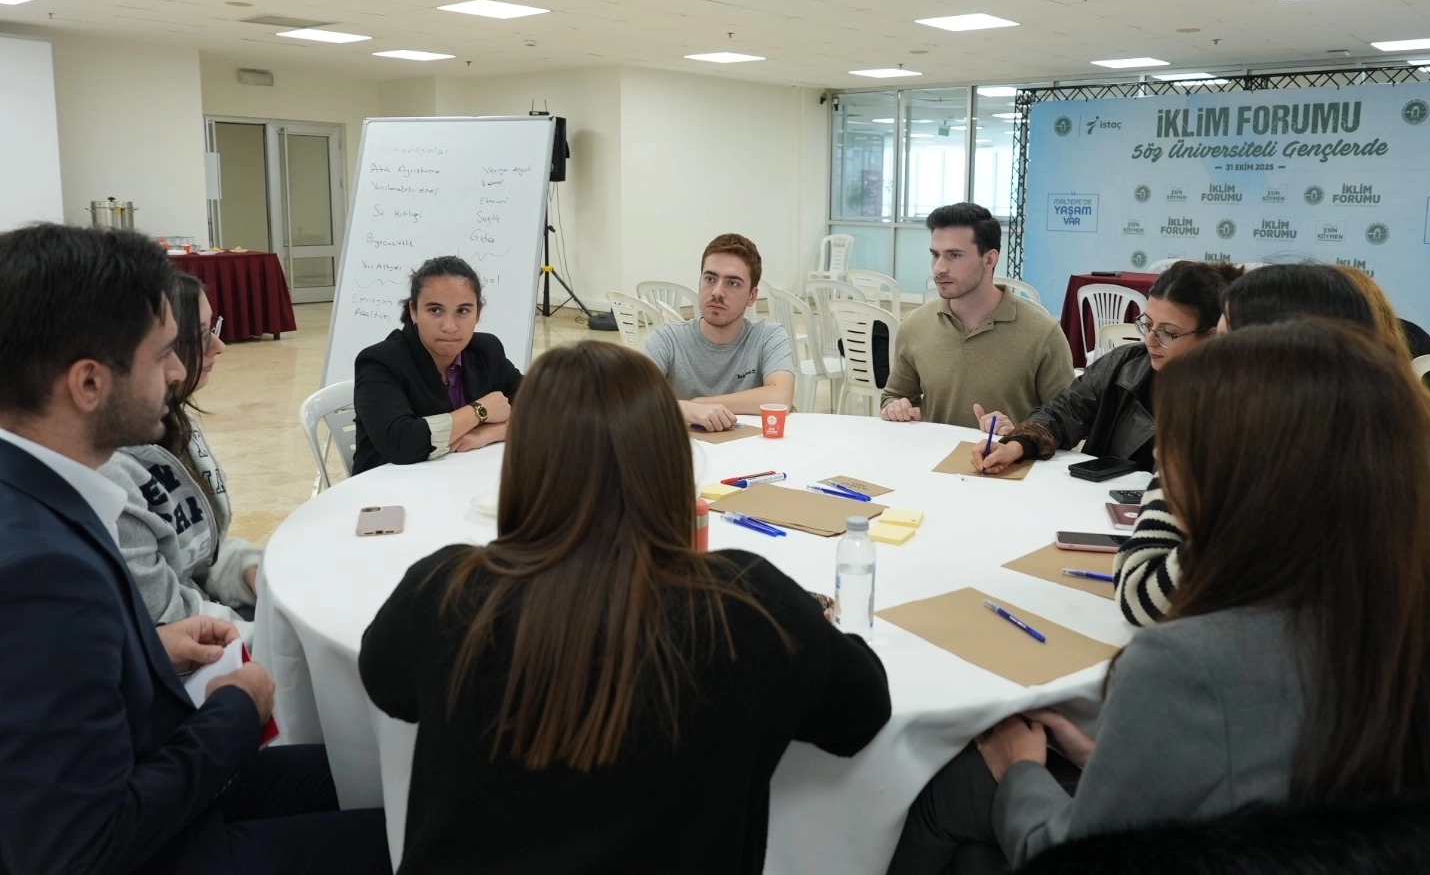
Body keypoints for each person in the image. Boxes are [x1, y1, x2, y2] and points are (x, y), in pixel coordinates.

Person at [888, 321, 1430, 874]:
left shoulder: (1187, 659)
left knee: (948, 788)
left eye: (1179, 438)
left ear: (1238, 470)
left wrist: (1020, 766)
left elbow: (1077, 857)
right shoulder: (1425, 636)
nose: (1159, 458)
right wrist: (1106, 756)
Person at [359, 341, 890, 873]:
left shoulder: (446, 589)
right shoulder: (746, 604)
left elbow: (387, 685)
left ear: (521, 461)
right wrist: (803, 621)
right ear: (671, 458)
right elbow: (863, 712)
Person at [0, 223, 388, 875]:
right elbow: (75, 848)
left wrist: (149, 649)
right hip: (158, 840)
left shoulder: (42, 492)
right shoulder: (41, 571)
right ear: (88, 384)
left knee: (395, 781)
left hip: (162, 776)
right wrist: (236, 709)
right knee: (420, 838)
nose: (180, 371)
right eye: (161, 356)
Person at [1115, 264, 1430, 640]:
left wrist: (1188, 477)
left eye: (1226, 341)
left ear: (1278, 360)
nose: (1213, 356)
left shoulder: (1297, 465)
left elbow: (1141, 596)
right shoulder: (1379, 429)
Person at [972, 260, 1242, 474]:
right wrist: (1017, 445)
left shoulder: (1235, 400)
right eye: (1147, 324)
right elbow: (1063, 412)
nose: (1150, 340)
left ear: (1212, 335)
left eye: (1168, 332)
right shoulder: (1123, 364)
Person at [102, 271, 261, 634]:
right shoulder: (109, 471)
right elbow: (164, 617)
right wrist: (267, 635)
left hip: (205, 612)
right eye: (201, 336)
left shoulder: (173, 420)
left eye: (213, 328)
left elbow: (195, 552)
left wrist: (245, 569)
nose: (220, 346)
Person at [880, 203, 1073, 430]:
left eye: (954, 255)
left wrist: (1021, 435)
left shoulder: (1043, 333)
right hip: (932, 453)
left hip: (1010, 453)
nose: (939, 268)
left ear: (989, 259)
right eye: (935, 255)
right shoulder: (914, 325)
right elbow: (894, 396)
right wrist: (896, 407)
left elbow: (1069, 422)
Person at [352, 255, 523, 475]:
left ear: (478, 313)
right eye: (435, 310)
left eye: (463, 311)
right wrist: (480, 411)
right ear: (413, 311)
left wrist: (492, 433)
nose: (450, 327)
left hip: (458, 479)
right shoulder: (380, 362)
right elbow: (401, 443)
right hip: (388, 486)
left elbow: (544, 408)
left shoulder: (486, 350)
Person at [644, 233, 796, 430]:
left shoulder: (768, 337)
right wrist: (686, 409)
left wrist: (698, 404)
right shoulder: (667, 339)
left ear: (752, 296)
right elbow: (632, 398)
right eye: (710, 279)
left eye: (733, 283)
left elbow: (780, 397)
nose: (717, 292)